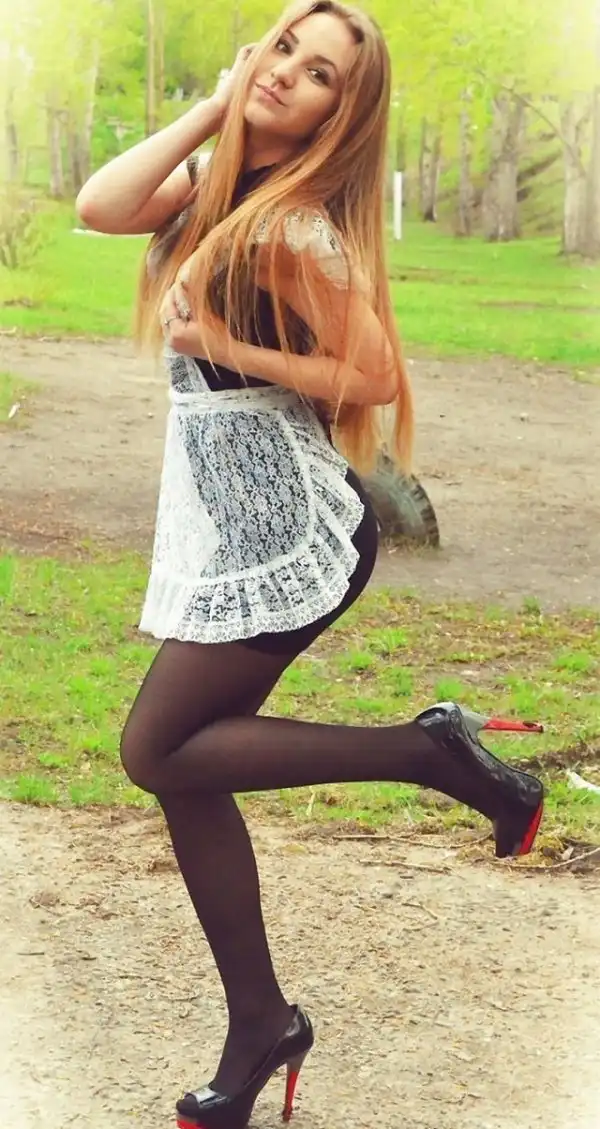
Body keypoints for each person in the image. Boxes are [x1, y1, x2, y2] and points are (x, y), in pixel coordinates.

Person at [76, 2, 544, 1126]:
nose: (290, 71)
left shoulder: (295, 226)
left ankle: (430, 753)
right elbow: (100, 205)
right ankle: (261, 1024)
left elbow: (373, 375)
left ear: (343, 113)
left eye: (320, 71)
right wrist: (218, 104)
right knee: (187, 766)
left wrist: (222, 344)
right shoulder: (219, 186)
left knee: (157, 748)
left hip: (293, 525)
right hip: (229, 519)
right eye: (285, 47)